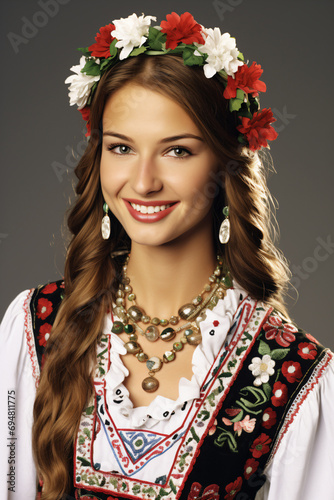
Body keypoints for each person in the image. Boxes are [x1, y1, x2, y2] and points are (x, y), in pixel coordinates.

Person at [1, 11, 333, 500]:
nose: (142, 181)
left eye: (177, 151)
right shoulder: (36, 327)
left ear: (225, 164)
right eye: (121, 148)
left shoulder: (291, 371)